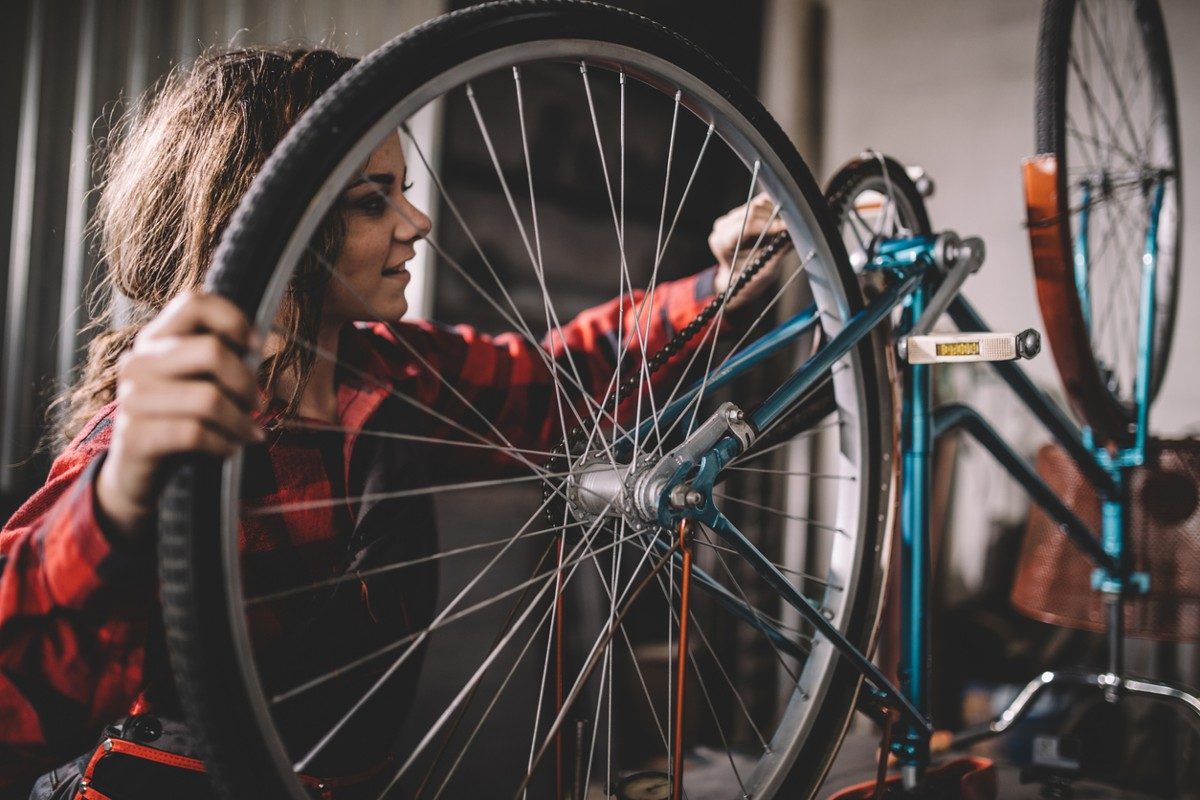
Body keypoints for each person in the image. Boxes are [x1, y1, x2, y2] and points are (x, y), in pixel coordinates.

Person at [0, 46, 787, 798]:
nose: (416, 222)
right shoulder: (155, 437)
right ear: (267, 224)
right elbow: (17, 697)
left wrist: (724, 288)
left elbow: (555, 386)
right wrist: (122, 491)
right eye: (374, 201)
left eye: (402, 190)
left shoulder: (393, 374)